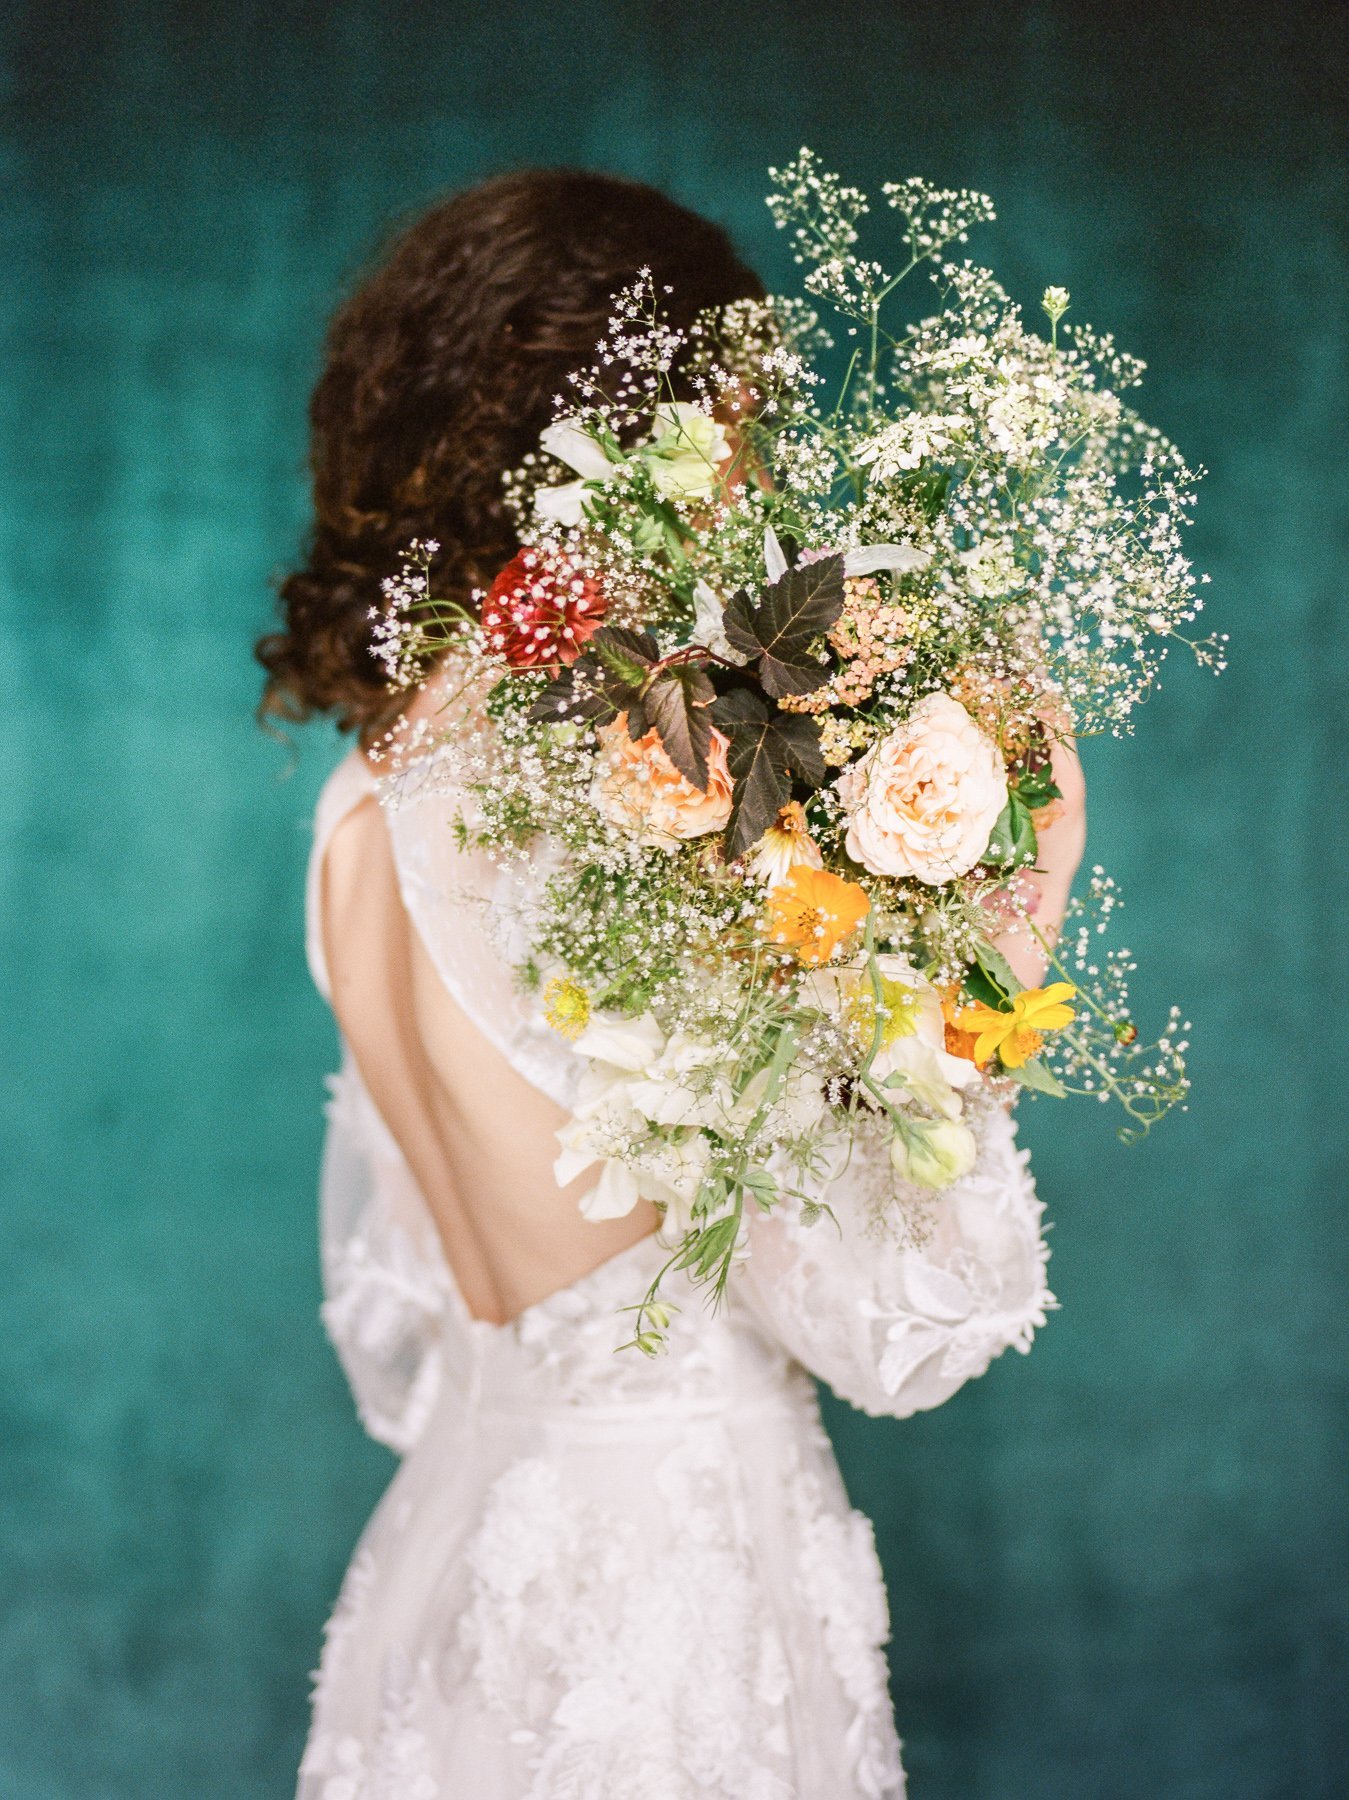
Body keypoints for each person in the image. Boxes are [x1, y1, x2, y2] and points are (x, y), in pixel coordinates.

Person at [258, 168, 1085, 1800]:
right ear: (623, 448)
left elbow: (406, 1327)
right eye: (735, 427)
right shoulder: (623, 813)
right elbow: (898, 1329)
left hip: (455, 1538)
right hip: (663, 1601)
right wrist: (1017, 892)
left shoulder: (364, 800)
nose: (752, 487)